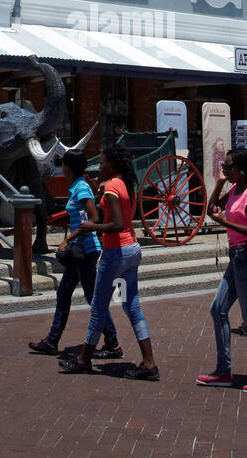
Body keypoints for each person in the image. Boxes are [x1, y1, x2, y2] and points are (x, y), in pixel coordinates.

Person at [58, 145, 159, 380]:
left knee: (98, 307)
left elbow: (116, 224)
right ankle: (149, 363)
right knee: (130, 305)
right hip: (132, 250)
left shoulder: (113, 187)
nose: (99, 167)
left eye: (102, 163)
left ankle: (84, 359)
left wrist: (93, 227)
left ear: (112, 165)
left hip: (116, 253)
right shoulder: (126, 184)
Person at [29, 151, 121, 357]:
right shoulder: (77, 187)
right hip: (79, 251)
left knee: (92, 298)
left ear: (69, 168)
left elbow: (93, 217)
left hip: (85, 250)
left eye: (63, 165)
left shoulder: (81, 188)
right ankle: (52, 341)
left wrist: (67, 239)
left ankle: (113, 343)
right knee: (64, 294)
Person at [200, 148, 247, 392]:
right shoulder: (234, 189)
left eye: (229, 167)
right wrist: (218, 184)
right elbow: (212, 208)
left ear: (242, 170)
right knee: (218, 310)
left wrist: (224, 222)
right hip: (237, 256)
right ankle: (223, 371)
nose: (226, 170)